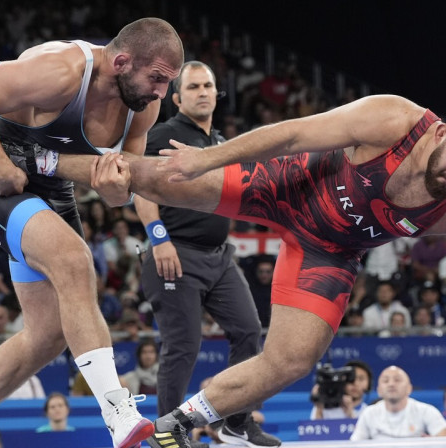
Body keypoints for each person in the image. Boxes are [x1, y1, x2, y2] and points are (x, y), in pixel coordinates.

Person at [15, 95, 446, 447]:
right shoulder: (394, 119)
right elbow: (292, 133)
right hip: (287, 186)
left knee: (295, 358)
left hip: (329, 252)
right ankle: (36, 158)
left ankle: (180, 422)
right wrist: (204, 158)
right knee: (161, 177)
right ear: (443, 132)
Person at [0, 18, 185, 448]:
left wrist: (119, 189)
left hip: (54, 190)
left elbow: (123, 186)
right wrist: (1, 167)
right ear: (120, 61)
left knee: (47, 336)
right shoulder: (61, 70)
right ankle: (117, 409)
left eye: (166, 83)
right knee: (74, 260)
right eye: (156, 79)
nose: (160, 93)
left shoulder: (143, 105)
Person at [132, 60, 275, 448]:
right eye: (193, 87)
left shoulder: (217, 144)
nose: (202, 92)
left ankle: (237, 424)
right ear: (177, 97)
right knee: (183, 346)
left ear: (217, 93)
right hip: (175, 253)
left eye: (207, 86)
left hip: (219, 257)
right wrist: (158, 238)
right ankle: (168, 433)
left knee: (248, 331)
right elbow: (140, 186)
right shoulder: (164, 132)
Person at [350, 366, 446, 440]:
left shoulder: (425, 410)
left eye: (397, 380)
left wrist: (435, 443)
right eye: (386, 381)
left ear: (409, 388)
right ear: (379, 390)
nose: (391, 384)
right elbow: (355, 444)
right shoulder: (369, 413)